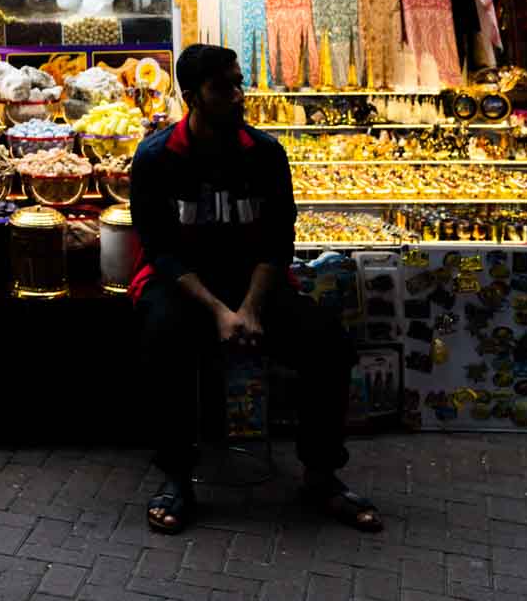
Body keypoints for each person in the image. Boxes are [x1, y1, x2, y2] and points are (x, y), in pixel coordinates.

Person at [128, 43, 382, 536]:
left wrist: (248, 308)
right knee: (163, 340)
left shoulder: (265, 154)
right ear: (191, 97)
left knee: (327, 344)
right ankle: (177, 476)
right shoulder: (156, 158)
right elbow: (160, 249)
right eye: (223, 87)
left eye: (238, 82)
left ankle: (321, 473)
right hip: (184, 286)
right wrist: (219, 312)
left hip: (255, 287)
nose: (238, 95)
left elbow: (277, 240)